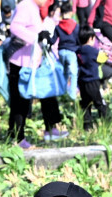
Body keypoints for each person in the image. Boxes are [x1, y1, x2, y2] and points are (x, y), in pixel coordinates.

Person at [7, 0, 67, 145]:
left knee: (46, 93)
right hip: (20, 63)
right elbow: (15, 27)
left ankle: (49, 128)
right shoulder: (26, 5)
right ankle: (17, 138)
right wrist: (36, 37)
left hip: (32, 62)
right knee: (20, 102)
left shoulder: (34, 8)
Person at [76, 26, 107, 128]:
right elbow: (103, 59)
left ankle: (87, 126)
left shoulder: (78, 51)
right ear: (91, 38)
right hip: (93, 81)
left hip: (82, 81)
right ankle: (104, 122)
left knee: (85, 104)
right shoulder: (93, 51)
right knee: (99, 102)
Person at [52, 2, 78, 97]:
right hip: (72, 52)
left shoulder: (58, 26)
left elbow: (53, 40)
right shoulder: (75, 26)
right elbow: (78, 40)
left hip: (61, 52)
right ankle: (72, 96)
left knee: (65, 73)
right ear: (71, 12)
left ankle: (63, 94)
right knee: (73, 74)